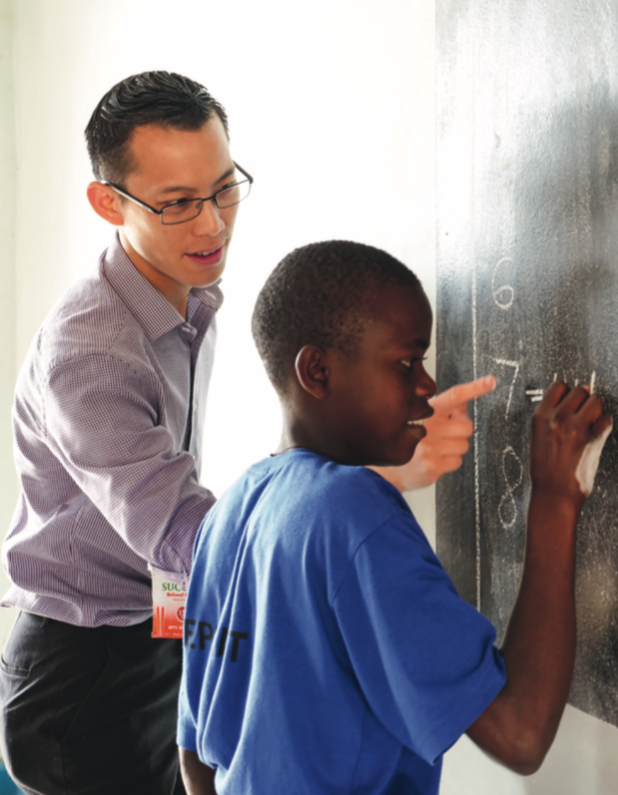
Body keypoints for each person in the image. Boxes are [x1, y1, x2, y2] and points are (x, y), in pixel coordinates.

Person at [0, 73, 492, 795]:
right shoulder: (92, 349)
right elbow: (185, 536)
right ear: (109, 202)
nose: (213, 225)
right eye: (178, 204)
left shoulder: (187, 294)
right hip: (83, 673)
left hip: (161, 632)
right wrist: (374, 474)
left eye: (225, 188)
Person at [177, 240, 611, 795]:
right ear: (318, 371)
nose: (427, 384)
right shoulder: (353, 515)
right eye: (407, 362)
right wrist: (554, 498)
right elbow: (520, 733)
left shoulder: (229, 512)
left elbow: (195, 757)